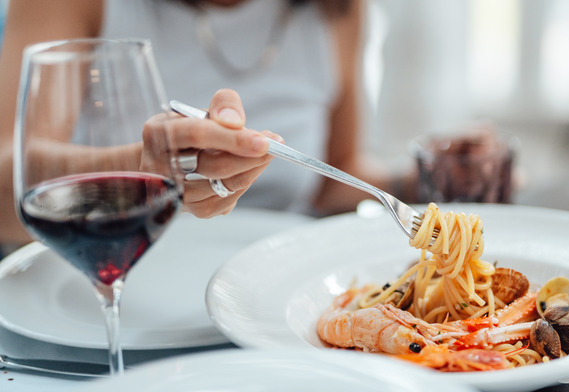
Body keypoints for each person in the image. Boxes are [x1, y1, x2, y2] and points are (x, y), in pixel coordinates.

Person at [0, 0, 398, 248]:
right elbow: (5, 189)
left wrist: (422, 183)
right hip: (114, 290)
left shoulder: (335, 9)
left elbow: (333, 179)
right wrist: (143, 172)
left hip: (279, 295)